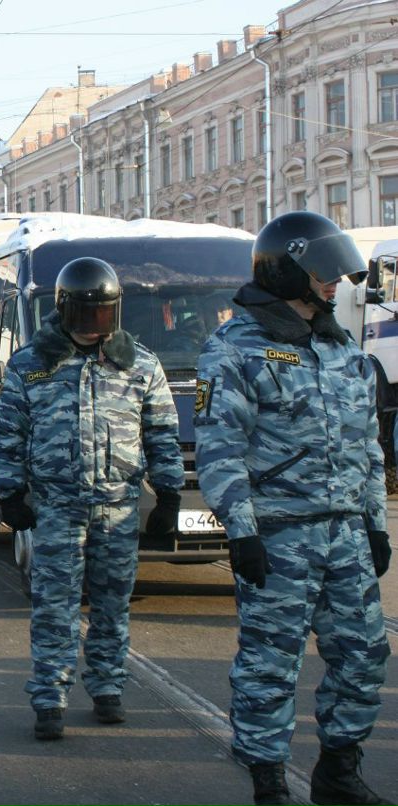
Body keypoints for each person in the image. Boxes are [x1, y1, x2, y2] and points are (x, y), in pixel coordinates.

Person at [195, 211, 392, 806]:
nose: (335, 283)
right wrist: (242, 532)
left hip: (345, 537)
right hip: (278, 538)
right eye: (323, 271)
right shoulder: (236, 347)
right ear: (288, 271)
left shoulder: (343, 349)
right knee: (269, 666)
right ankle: (269, 782)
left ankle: (339, 772)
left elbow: (368, 447)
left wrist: (376, 525)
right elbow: (220, 447)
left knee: (363, 659)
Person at [0, 257, 184, 741]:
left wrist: (169, 495)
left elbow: (161, 432)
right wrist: (9, 492)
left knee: (113, 604)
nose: (96, 327)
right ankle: (50, 698)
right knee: (54, 606)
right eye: (87, 316)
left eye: (105, 315)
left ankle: (107, 687)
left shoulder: (139, 364)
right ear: (66, 310)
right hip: (57, 508)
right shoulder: (32, 364)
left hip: (117, 507)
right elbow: (6, 433)